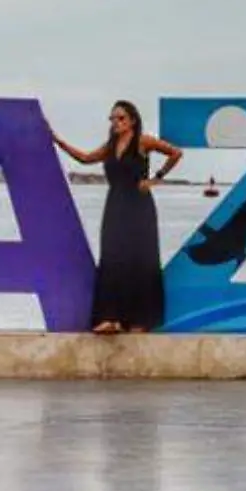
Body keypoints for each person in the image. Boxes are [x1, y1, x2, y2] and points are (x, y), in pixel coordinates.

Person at [52, 100, 181, 334]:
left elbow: (175, 152)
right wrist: (57, 140)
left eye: (121, 118)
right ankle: (111, 318)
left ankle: (140, 321)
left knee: (141, 260)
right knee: (112, 259)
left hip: (140, 207)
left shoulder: (144, 140)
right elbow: (84, 158)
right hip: (115, 206)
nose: (116, 122)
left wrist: (155, 178)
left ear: (132, 120)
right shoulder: (110, 147)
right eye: (112, 119)